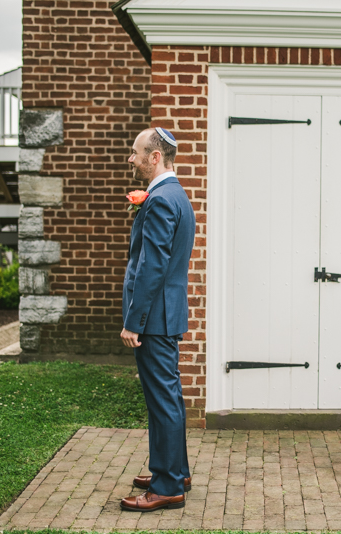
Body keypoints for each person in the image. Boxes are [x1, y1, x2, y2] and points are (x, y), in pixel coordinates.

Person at [119, 127, 195, 512]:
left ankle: (167, 486)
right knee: (169, 399)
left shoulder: (162, 199)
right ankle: (174, 470)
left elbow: (151, 266)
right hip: (165, 314)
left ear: (155, 158)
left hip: (155, 318)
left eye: (135, 152)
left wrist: (134, 321)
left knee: (162, 402)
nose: (130, 159)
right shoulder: (174, 194)